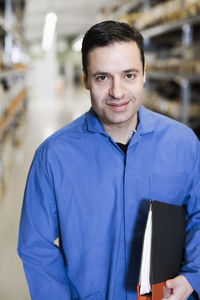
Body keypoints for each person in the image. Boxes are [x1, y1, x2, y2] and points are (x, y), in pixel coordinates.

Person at [18, 20, 200, 300]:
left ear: (144, 75)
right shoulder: (53, 157)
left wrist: (193, 276)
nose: (117, 92)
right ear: (85, 79)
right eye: (103, 77)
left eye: (128, 75)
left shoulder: (184, 144)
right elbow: (36, 247)